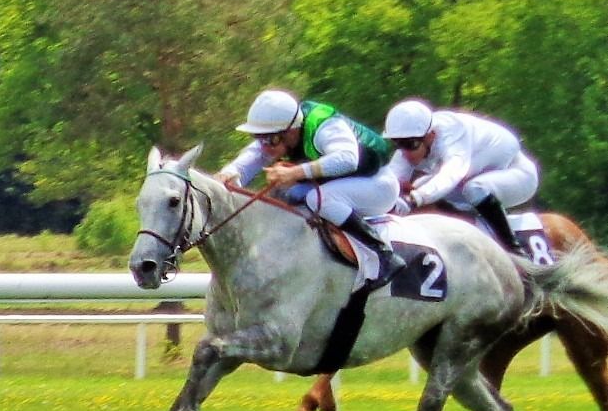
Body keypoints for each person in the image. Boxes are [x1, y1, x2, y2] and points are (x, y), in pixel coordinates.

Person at [223, 88, 400, 285]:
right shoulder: (280, 130)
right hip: (345, 184)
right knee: (281, 196)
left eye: (270, 139)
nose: (265, 146)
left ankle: (382, 253)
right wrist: (228, 175)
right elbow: (250, 160)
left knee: (317, 199)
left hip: (378, 184)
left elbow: (348, 159)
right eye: (258, 137)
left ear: (291, 130)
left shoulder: (324, 125)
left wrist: (295, 172)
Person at [379, 99, 540, 253]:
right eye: (398, 144)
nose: (405, 153)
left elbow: (451, 174)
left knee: (474, 189)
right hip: (475, 178)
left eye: (410, 144)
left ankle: (514, 250)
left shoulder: (452, 134)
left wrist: (413, 199)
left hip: (518, 175)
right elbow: (390, 182)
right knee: (422, 186)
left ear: (431, 136)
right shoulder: (415, 142)